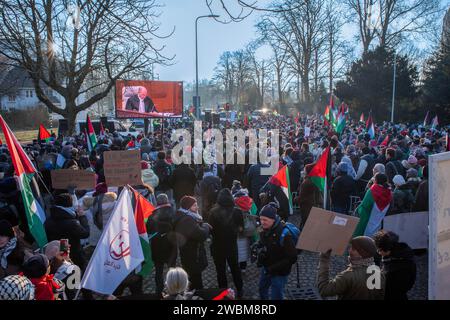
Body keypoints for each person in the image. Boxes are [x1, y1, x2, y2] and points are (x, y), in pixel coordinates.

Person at [317, 236, 385, 300]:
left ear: (362, 254)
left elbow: (324, 290)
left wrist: (324, 260)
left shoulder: (348, 276)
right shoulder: (379, 272)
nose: (349, 250)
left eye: (353, 249)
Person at [256, 204, 297, 300]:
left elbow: (292, 258)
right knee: (262, 289)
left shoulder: (285, 234)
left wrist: (272, 268)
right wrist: (258, 245)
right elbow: (264, 242)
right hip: (267, 267)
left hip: (279, 272)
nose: (262, 222)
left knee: (276, 296)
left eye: (265, 220)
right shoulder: (263, 229)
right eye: (261, 219)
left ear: (273, 219)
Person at [208, 189, 244, 298]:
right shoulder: (237, 211)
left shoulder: (213, 212)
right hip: (232, 245)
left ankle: (223, 292)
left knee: (221, 271)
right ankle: (240, 289)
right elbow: (241, 228)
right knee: (235, 268)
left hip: (217, 246)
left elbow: (210, 230)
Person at [172, 196, 211, 290]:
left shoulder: (185, 216)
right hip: (193, 256)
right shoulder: (187, 220)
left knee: (193, 279)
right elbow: (201, 235)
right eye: (194, 205)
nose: (197, 207)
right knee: (196, 282)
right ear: (188, 207)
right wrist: (206, 227)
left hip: (188, 254)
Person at [45, 193, 90, 270]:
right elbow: (85, 233)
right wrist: (82, 217)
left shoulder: (48, 220)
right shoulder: (72, 223)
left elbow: (62, 240)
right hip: (74, 256)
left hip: (56, 257)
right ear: (69, 205)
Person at [146, 194, 177, 297]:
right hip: (171, 245)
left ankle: (158, 291)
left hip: (157, 246)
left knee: (158, 271)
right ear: (167, 201)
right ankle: (174, 290)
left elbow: (148, 229)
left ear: (157, 202)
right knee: (172, 269)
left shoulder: (152, 214)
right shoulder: (173, 212)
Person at [373, 230, 416, 300]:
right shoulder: (406, 254)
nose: (378, 252)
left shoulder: (392, 270)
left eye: (378, 250)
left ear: (382, 249)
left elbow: (381, 287)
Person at [82, 183, 117, 247]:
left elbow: (85, 216)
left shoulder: (89, 204)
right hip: (111, 233)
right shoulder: (115, 204)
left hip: (95, 233)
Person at [297, 164, 323, 228]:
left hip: (307, 207)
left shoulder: (307, 182)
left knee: (306, 226)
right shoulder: (315, 179)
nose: (303, 171)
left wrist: (294, 200)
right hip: (314, 206)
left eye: (305, 170)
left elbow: (302, 197)